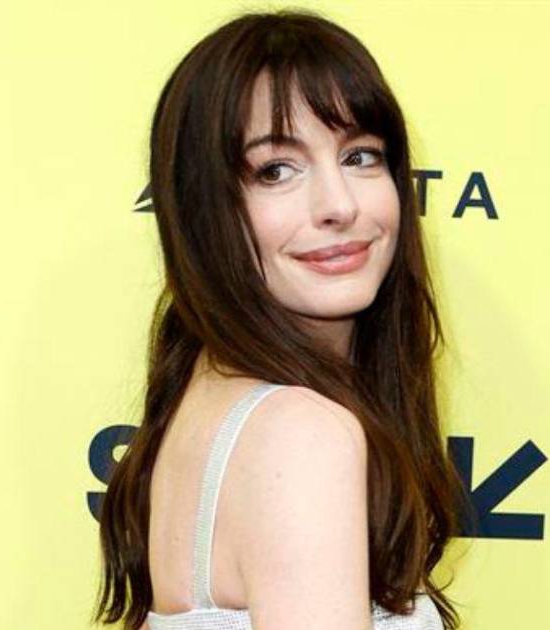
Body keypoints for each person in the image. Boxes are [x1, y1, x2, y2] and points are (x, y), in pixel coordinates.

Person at [96, 8, 469, 630]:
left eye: (360, 156)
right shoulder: (299, 435)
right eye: (275, 170)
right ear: (203, 210)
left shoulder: (209, 400)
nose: (338, 205)